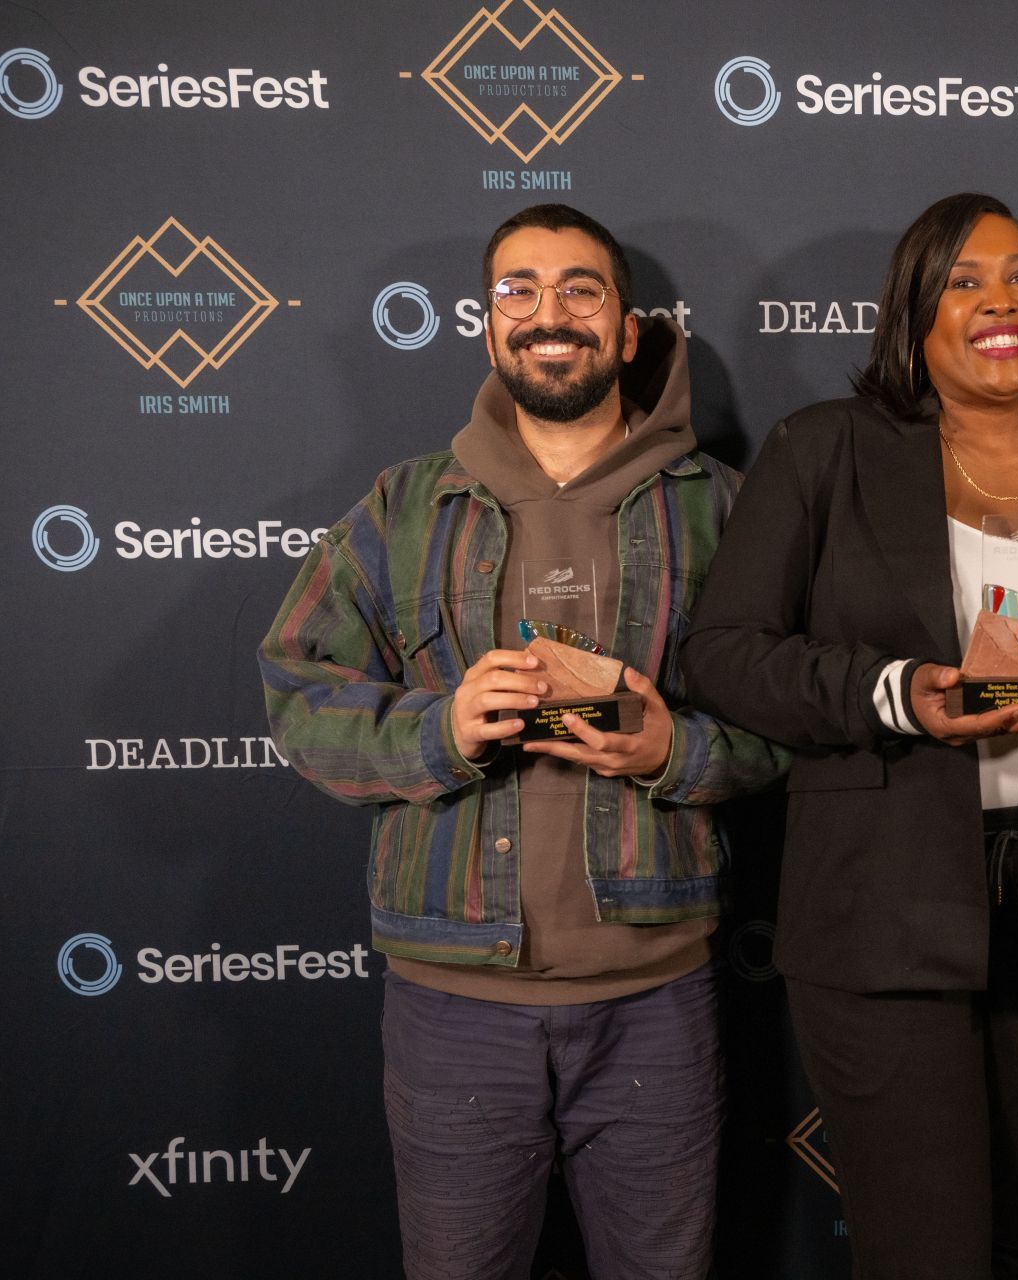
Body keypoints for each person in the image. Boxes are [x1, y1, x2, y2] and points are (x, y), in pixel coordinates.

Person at [681, 192, 1018, 1279]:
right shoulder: (827, 450)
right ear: (913, 314)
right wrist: (896, 690)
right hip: (883, 910)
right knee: (926, 1251)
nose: (999, 301)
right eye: (963, 281)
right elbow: (723, 652)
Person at [259, 203, 785, 1280]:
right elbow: (296, 697)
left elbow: (793, 724)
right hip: (452, 1002)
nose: (551, 315)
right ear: (489, 324)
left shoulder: (726, 509)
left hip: (657, 998)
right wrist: (438, 729)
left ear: (629, 330)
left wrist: (672, 754)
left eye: (582, 289)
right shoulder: (402, 506)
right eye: (520, 291)